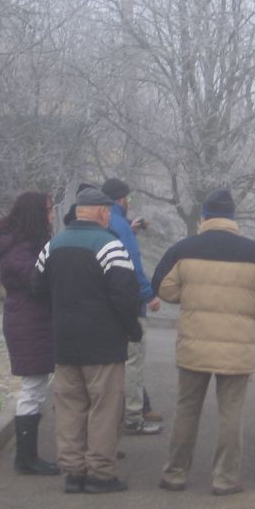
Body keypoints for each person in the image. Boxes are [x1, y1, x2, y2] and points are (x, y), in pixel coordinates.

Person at [152, 189, 255, 496]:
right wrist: (251, 323)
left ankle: (175, 473)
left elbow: (163, 287)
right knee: (231, 413)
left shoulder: (183, 249)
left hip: (194, 344)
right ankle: (225, 478)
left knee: (187, 409)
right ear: (233, 217)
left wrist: (191, 296)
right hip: (236, 346)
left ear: (204, 217)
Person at [31, 187, 142, 493]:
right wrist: (131, 329)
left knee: (70, 408)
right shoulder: (110, 246)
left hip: (65, 341)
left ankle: (73, 472)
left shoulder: (53, 245)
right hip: (103, 344)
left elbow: (36, 288)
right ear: (103, 213)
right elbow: (125, 296)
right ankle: (100, 474)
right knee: (104, 409)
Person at [0, 191, 60, 476]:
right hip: (29, 323)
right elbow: (38, 282)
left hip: (32, 321)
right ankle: (26, 458)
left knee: (37, 387)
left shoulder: (23, 245)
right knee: (33, 388)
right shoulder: (20, 250)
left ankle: (28, 456)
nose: (52, 215)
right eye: (49, 210)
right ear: (36, 214)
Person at [100, 177, 162, 436]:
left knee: (110, 363)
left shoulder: (104, 222)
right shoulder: (121, 226)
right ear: (121, 199)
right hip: (128, 304)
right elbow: (132, 264)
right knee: (133, 360)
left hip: (103, 305)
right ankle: (134, 415)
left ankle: (111, 415)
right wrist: (149, 295)